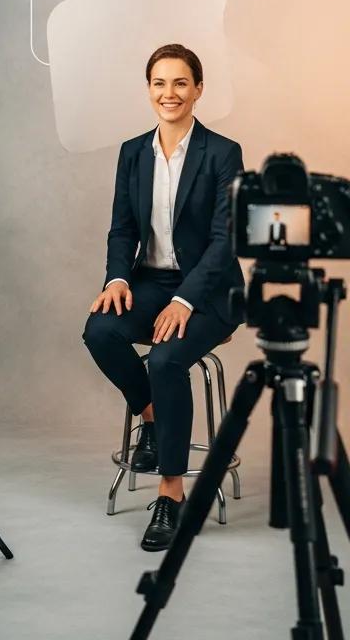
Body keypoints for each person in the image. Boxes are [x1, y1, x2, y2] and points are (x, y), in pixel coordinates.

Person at [82, 43, 244, 552]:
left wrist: (186, 301)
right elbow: (121, 228)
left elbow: (225, 240)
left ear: (198, 89)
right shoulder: (133, 151)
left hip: (211, 290)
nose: (168, 93)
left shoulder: (222, 153)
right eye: (159, 83)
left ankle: (170, 494)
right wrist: (117, 280)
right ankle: (150, 417)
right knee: (100, 331)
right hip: (149, 282)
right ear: (148, 89)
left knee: (168, 358)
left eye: (180, 83)